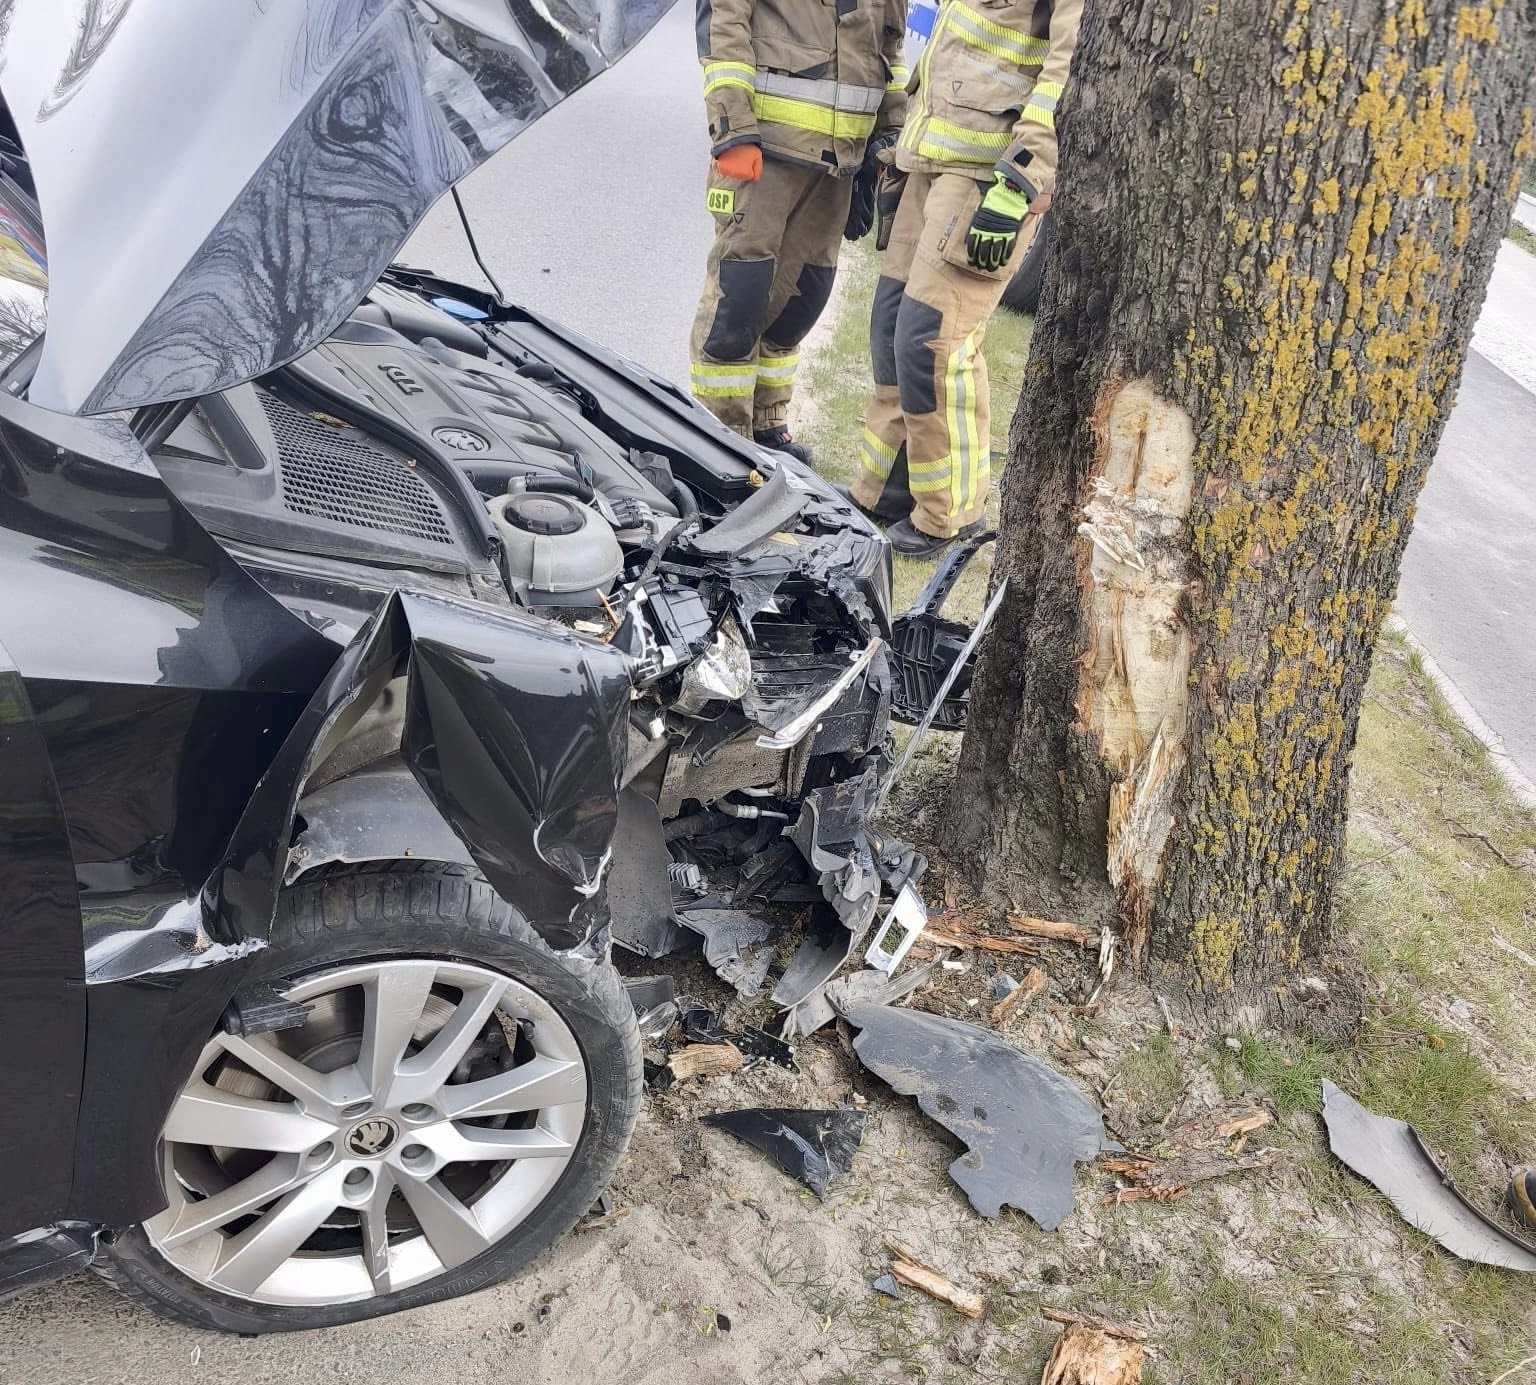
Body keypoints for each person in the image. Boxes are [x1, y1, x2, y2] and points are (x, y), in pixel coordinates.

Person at [845, 0, 1081, 556]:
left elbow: (1067, 68)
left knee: (933, 341)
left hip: (988, 178)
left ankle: (949, 512)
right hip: (930, 162)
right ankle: (884, 490)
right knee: (890, 331)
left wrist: (1022, 176)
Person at [690, 0, 910, 463]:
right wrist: (732, 127)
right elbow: (724, 21)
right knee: (740, 297)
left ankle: (767, 423)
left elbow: (890, 50)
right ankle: (720, 437)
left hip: (838, 166)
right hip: (762, 152)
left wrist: (888, 137)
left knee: (801, 300)